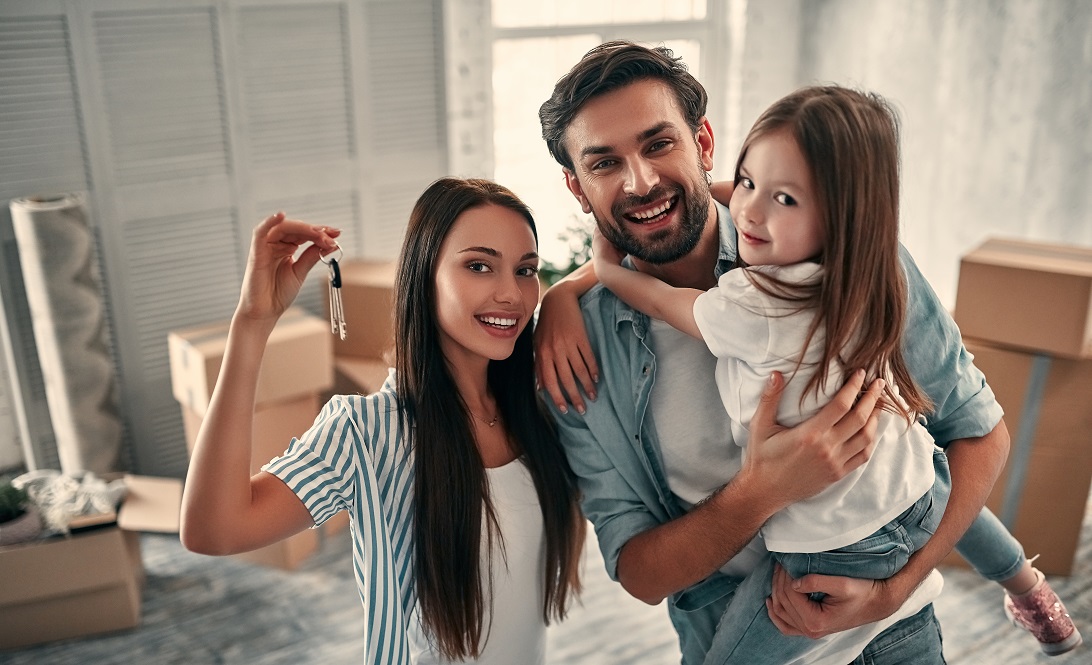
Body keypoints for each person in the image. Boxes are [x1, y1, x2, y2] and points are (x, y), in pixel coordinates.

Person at [531, 40, 1014, 665]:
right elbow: (640, 573)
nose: (641, 181)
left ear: (704, 142)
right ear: (577, 187)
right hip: (739, 641)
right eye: (604, 163)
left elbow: (978, 434)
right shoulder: (577, 355)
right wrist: (763, 489)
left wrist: (892, 592)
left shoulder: (847, 256)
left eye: (658, 144)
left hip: (896, 638)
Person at [180, 177, 585, 665]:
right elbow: (213, 530)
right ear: (423, 276)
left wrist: (564, 293)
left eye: (525, 270)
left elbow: (617, 257)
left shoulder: (538, 405)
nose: (511, 294)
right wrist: (252, 322)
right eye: (479, 266)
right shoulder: (367, 432)